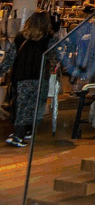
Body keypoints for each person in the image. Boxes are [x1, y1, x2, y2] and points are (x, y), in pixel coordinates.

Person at [2, 11, 56, 147]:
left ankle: (21, 133)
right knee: (33, 106)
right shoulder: (49, 38)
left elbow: (10, 58)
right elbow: (54, 57)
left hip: (19, 77)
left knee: (21, 105)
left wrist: (1, 71)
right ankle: (21, 134)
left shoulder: (20, 37)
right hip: (38, 77)